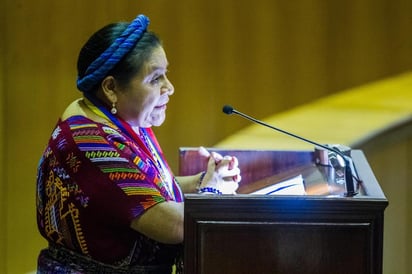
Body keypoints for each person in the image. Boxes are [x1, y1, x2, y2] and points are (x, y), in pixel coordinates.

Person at [36, 14, 241, 273]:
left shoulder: (115, 116)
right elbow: (174, 226)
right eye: (155, 79)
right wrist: (213, 192)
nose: (170, 87)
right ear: (110, 87)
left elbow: (143, 189)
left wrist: (204, 179)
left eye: (166, 74)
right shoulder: (88, 141)